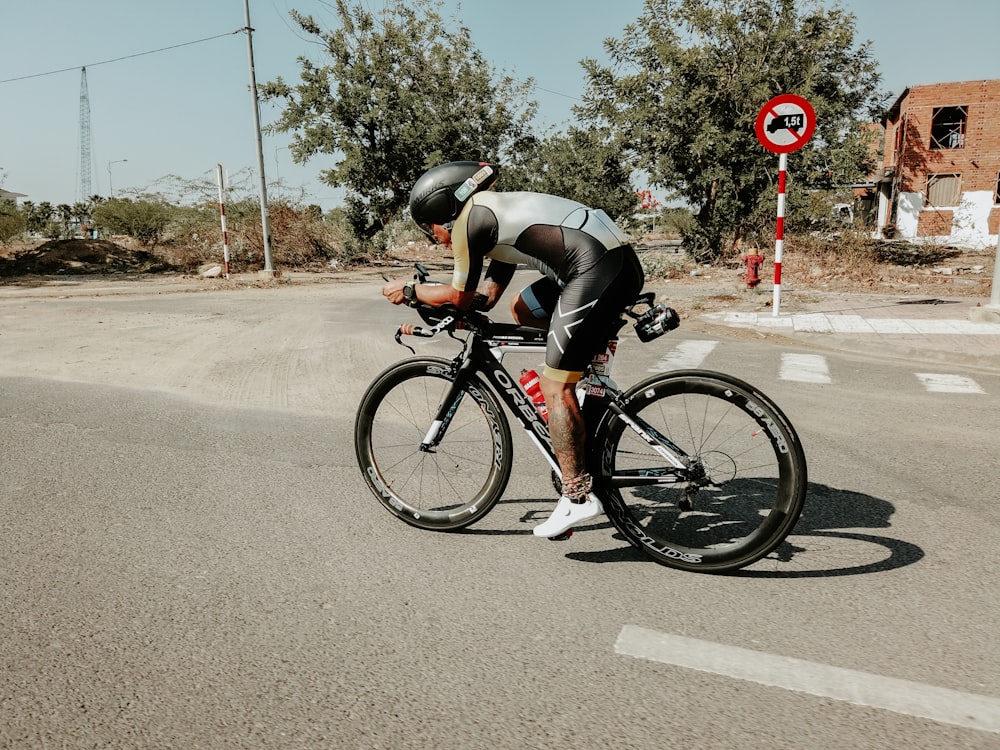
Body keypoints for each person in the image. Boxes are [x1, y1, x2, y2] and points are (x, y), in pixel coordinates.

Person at [382, 161, 644, 538]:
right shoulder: (495, 218)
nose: (433, 238)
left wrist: (410, 291)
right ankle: (583, 382)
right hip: (609, 263)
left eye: (430, 227)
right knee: (524, 309)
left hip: (596, 269)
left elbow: (459, 294)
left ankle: (577, 498)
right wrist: (450, 310)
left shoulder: (471, 221)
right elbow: (486, 299)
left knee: (556, 386)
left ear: (443, 211)